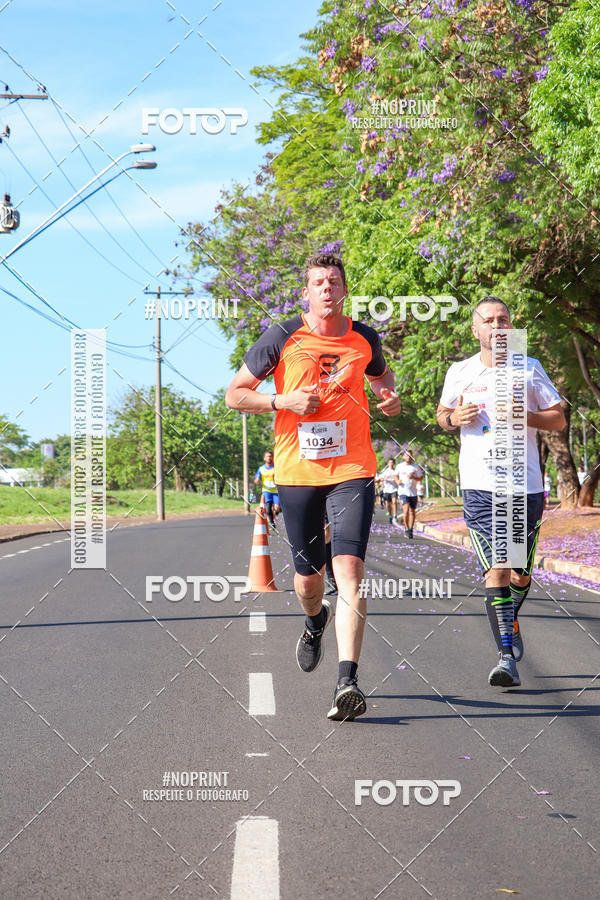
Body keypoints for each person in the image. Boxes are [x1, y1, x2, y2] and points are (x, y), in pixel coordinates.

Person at [225, 251, 401, 720]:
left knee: (350, 571)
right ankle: (313, 618)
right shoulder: (281, 336)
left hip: (353, 470)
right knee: (308, 581)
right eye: (319, 282)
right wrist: (282, 400)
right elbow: (234, 394)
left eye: (335, 281)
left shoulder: (364, 337)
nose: (327, 288)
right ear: (306, 292)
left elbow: (384, 380)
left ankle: (348, 682)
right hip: (298, 473)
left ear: (344, 291)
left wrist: (389, 399)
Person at [436, 296, 565, 687]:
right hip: (479, 484)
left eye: (504, 319)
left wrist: (524, 415)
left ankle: (512, 615)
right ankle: (505, 657)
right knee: (498, 568)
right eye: (488, 320)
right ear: (475, 330)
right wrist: (454, 417)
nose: (497, 325)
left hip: (523, 485)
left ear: (512, 327)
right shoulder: (460, 372)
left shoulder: (529, 368)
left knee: (520, 574)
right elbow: (442, 416)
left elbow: (558, 419)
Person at [395, 450, 423, 538]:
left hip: (413, 492)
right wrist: (397, 481)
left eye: (410, 455)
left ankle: (411, 529)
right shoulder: (399, 466)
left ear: (412, 456)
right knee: (406, 510)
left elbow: (420, 478)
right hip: (403, 491)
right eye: (406, 456)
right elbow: (395, 475)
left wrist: (413, 477)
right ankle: (406, 529)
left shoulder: (415, 467)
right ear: (403, 457)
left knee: (412, 512)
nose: (408, 457)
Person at [254, 450, 281, 528]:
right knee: (268, 509)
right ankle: (272, 524)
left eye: (270, 456)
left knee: (277, 509)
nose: (269, 458)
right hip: (266, 491)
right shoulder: (261, 469)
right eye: (267, 456)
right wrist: (257, 480)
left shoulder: (276, 468)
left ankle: (274, 514)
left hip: (275, 491)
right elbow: (256, 479)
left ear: (272, 458)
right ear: (264, 458)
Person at [377, 458, 399, 524]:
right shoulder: (385, 471)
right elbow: (380, 479)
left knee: (394, 502)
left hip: (394, 489)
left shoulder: (396, 471)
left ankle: (395, 515)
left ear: (394, 463)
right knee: (388, 505)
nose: (391, 464)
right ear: (388, 464)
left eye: (392, 462)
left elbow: (399, 478)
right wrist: (384, 479)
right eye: (390, 462)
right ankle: (390, 516)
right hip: (386, 490)